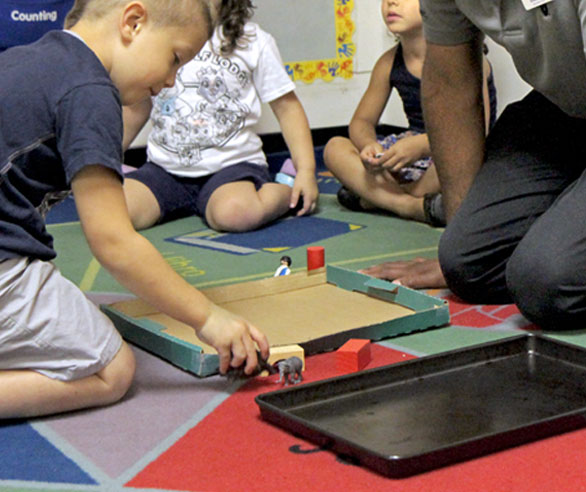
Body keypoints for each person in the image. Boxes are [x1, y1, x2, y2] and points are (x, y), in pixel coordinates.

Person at [0, 0, 271, 440]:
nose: (170, 82)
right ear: (133, 22)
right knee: (112, 368)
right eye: (175, 59)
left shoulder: (33, 57)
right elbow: (113, 243)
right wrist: (208, 318)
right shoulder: (90, 92)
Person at [367, 1, 586, 330]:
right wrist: (457, 243)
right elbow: (449, 83)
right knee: (468, 265)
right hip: (564, 108)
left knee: (547, 283)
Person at [121, 0, 318, 234]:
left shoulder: (253, 41)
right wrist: (107, 156)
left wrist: (305, 170)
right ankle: (132, 178)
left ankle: (286, 185)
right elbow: (138, 105)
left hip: (231, 168)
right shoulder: (160, 36)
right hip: (164, 169)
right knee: (115, 211)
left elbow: (287, 108)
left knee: (235, 214)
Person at [323, 0, 495, 226]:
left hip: (451, 151)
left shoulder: (471, 62)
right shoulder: (388, 62)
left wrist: (423, 146)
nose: (391, 3)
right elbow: (362, 121)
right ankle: (411, 205)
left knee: (455, 168)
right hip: (406, 153)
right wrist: (368, 145)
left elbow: (476, 132)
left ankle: (375, 198)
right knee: (334, 147)